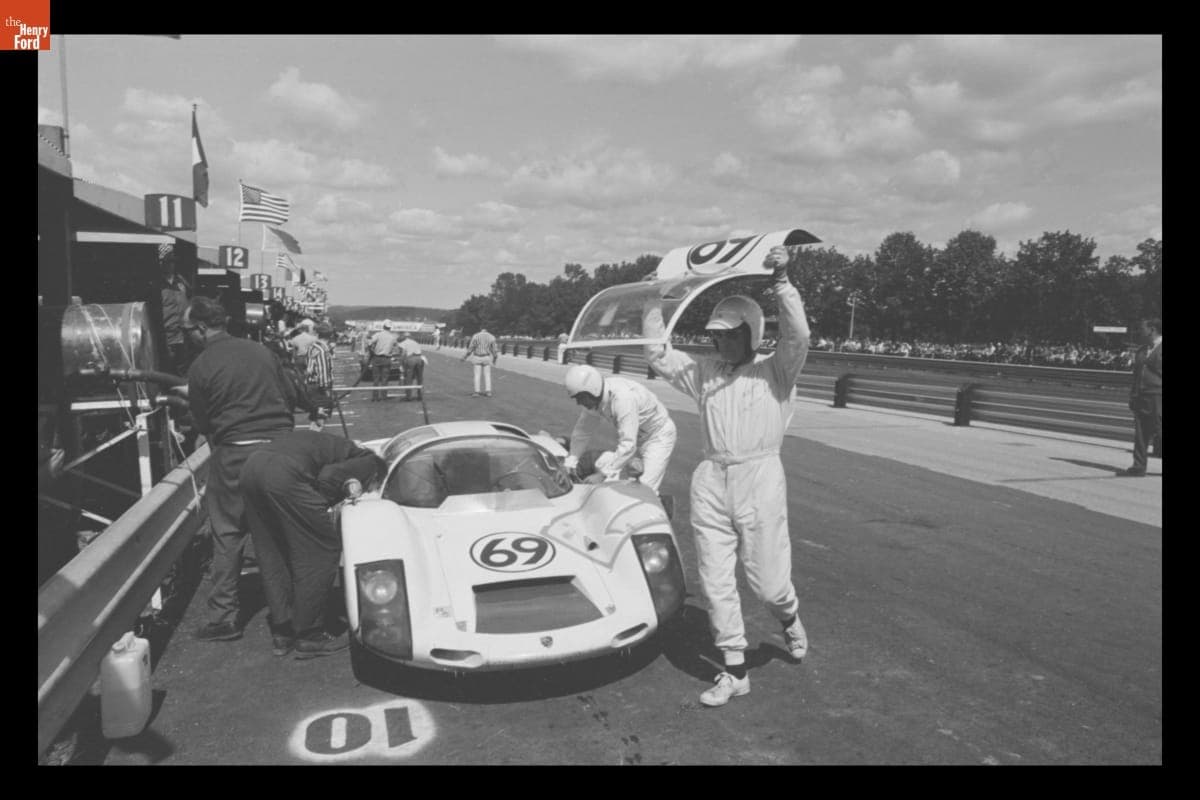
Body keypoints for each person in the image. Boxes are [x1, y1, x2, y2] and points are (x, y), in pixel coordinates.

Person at [642, 245, 811, 707]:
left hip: (760, 478)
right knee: (715, 580)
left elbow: (797, 338)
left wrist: (782, 284)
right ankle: (734, 671)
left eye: (729, 335)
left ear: (752, 333)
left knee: (769, 583)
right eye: (716, 335)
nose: (720, 343)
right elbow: (658, 353)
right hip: (711, 478)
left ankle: (789, 618)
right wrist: (655, 300)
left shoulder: (777, 372)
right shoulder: (705, 374)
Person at [182, 296, 298, 642]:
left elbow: (202, 422)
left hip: (235, 454)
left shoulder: (201, 365)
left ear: (202, 328)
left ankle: (224, 618)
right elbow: (290, 395)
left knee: (228, 533)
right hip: (280, 451)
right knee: (280, 533)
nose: (186, 336)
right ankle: (290, 618)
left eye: (187, 330)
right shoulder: (262, 352)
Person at [241, 430, 386, 658]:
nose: (370, 490)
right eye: (372, 486)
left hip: (252, 467)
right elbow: (329, 478)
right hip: (283, 473)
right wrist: (318, 506)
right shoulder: (370, 463)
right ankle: (309, 634)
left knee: (272, 549)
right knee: (320, 548)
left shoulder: (335, 445)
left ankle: (283, 630)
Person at [562, 364, 677, 493]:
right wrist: (570, 463)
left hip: (657, 437)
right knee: (621, 486)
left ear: (592, 390)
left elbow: (628, 443)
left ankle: (663, 507)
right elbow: (582, 432)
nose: (579, 403)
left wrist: (602, 475)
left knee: (644, 489)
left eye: (580, 398)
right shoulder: (594, 400)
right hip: (637, 438)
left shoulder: (623, 399)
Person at [1123, 318, 1162, 477]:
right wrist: (1133, 395)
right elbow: (1136, 375)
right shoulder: (1141, 350)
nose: (1140, 331)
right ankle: (1138, 466)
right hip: (1141, 395)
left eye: (1142, 329)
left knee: (1159, 429)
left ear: (1152, 330)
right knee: (1140, 432)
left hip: (1158, 395)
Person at [158, 243, 192, 377]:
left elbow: (189, 299)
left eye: (172, 261)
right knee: (167, 370)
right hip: (167, 337)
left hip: (183, 335)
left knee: (184, 369)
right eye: (167, 261)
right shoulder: (157, 285)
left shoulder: (181, 282)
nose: (170, 264)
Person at [305, 323, 335, 431]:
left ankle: (312, 439)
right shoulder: (323, 351)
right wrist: (327, 389)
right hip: (319, 387)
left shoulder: (312, 347)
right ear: (330, 336)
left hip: (311, 385)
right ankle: (312, 442)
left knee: (316, 418)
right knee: (320, 418)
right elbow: (323, 372)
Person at [367, 321, 400, 401]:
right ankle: (383, 397)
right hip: (386, 359)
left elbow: (369, 343)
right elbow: (396, 347)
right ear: (390, 328)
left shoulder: (378, 335)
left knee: (376, 379)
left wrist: (371, 350)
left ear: (383, 327)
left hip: (377, 358)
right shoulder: (392, 337)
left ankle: (375, 397)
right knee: (385, 379)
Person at [462, 326, 498, 397]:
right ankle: (488, 391)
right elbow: (494, 350)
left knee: (477, 375)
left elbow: (471, 348)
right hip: (486, 357)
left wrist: (465, 357)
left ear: (480, 328)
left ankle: (477, 392)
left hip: (477, 356)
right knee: (487, 375)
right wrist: (494, 359)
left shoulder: (476, 336)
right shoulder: (491, 337)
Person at [395, 331, 425, 401]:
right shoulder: (415, 342)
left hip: (411, 359)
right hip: (420, 358)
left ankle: (408, 397)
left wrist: (401, 364)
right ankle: (420, 395)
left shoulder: (403, 343)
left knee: (409, 378)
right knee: (419, 378)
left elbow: (403, 354)